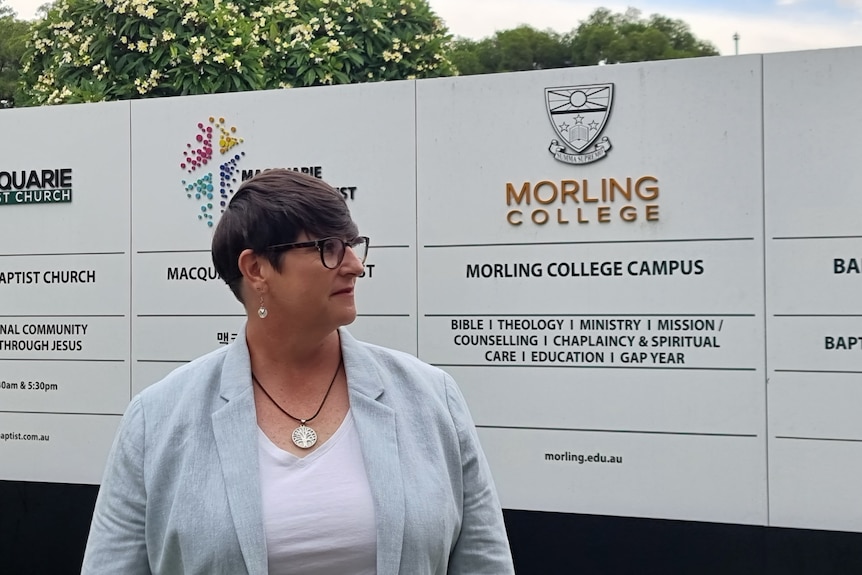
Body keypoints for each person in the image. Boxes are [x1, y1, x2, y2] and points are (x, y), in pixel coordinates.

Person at [81, 169, 515, 574]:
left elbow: (484, 562)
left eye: (352, 244)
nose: (355, 265)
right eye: (328, 248)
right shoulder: (156, 419)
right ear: (256, 270)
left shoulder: (431, 396)